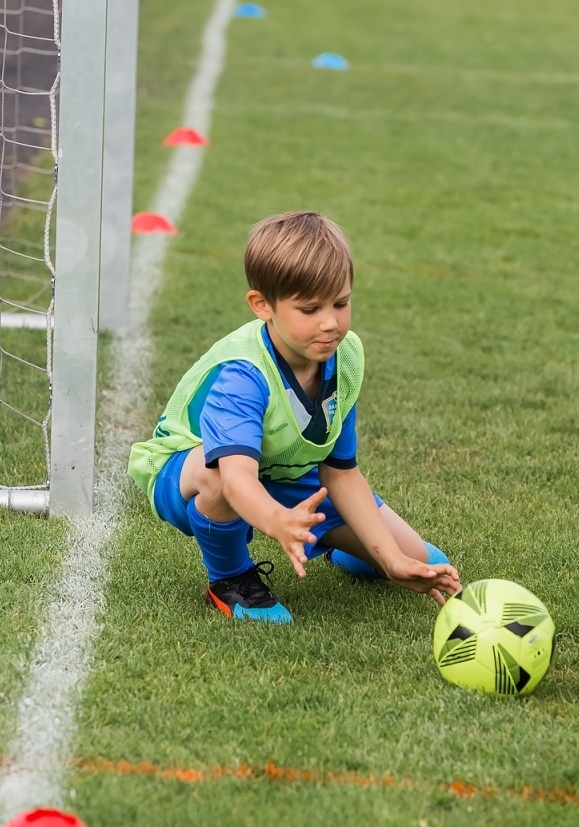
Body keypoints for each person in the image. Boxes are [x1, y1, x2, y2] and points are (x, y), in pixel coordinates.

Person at [127, 212, 460, 625]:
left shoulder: (346, 356)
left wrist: (391, 560)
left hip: (282, 470)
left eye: (341, 303)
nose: (330, 322)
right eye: (309, 309)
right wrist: (277, 521)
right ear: (262, 305)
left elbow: (340, 474)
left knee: (420, 559)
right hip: (188, 472)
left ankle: (341, 547)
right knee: (218, 476)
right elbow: (236, 478)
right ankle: (230, 579)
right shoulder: (243, 376)